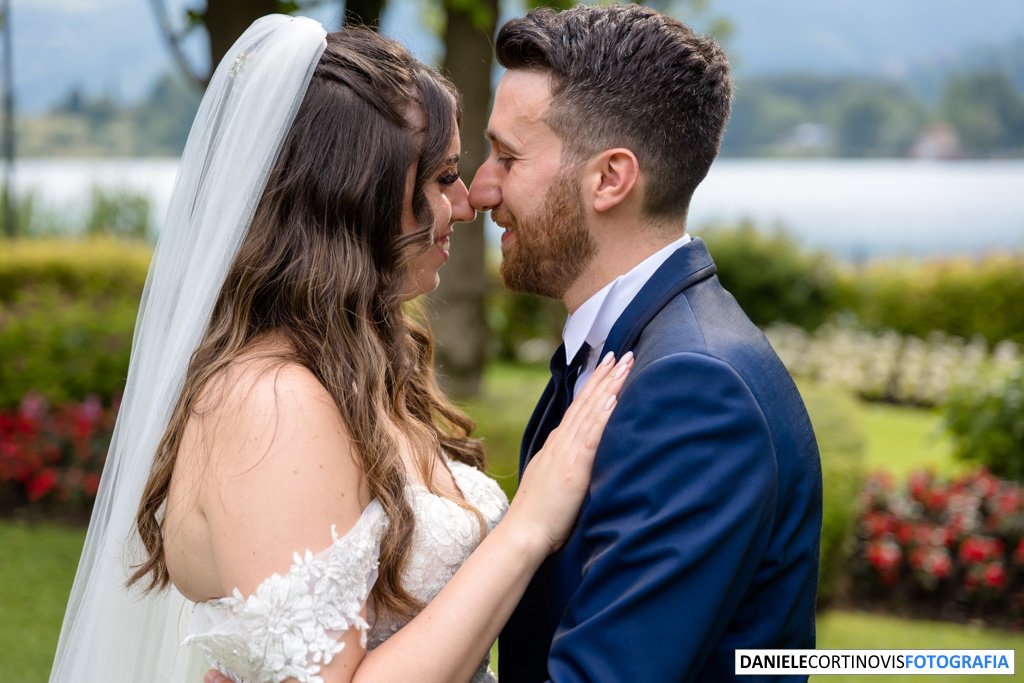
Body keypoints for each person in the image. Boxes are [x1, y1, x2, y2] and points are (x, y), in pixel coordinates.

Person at [49, 15, 632, 683]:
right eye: (444, 178)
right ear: (364, 197)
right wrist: (527, 526)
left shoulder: (363, 371)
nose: (468, 203)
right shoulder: (272, 402)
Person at [466, 5, 823, 681]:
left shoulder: (695, 389)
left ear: (609, 179)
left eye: (507, 157)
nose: (481, 189)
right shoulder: (624, 347)